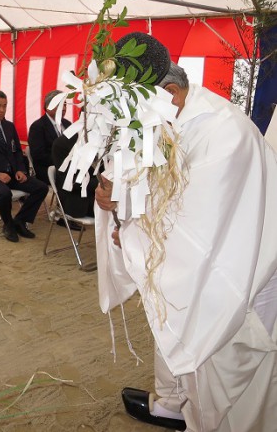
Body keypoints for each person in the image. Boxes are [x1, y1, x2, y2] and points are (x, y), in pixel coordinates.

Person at [95, 38, 277, 431]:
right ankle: (177, 407)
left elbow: (202, 232)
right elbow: (157, 189)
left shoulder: (224, 133)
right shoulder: (166, 119)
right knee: (179, 340)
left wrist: (131, 235)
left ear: (171, 92)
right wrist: (118, 199)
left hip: (235, 282)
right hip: (191, 275)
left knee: (226, 389)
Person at [0, 90, 47, 242]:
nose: (2, 110)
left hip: (12, 172)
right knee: (4, 194)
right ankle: (8, 224)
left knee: (41, 188)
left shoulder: (9, 126)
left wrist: (21, 169)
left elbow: (17, 151)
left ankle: (20, 220)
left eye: (4, 106)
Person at [28, 89, 71, 185]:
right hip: (48, 168)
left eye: (64, 104)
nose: (63, 108)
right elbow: (39, 155)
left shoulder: (68, 124)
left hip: (68, 166)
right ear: (48, 107)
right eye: (59, 105)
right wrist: (63, 161)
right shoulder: (38, 127)